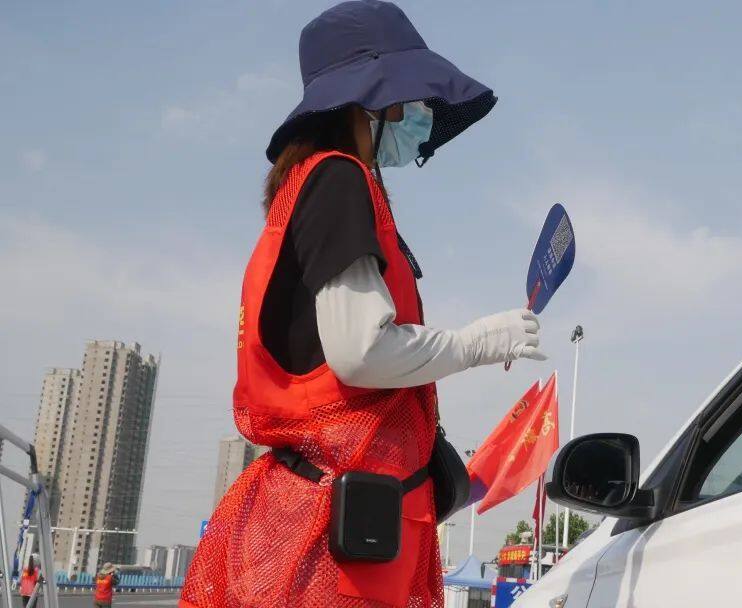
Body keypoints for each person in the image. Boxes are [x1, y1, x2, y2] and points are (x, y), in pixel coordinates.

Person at [180, 2, 544, 606]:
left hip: (327, 514)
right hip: (334, 540)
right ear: (368, 101)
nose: (422, 115)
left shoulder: (309, 186)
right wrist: (479, 343)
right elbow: (361, 351)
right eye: (411, 98)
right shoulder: (339, 178)